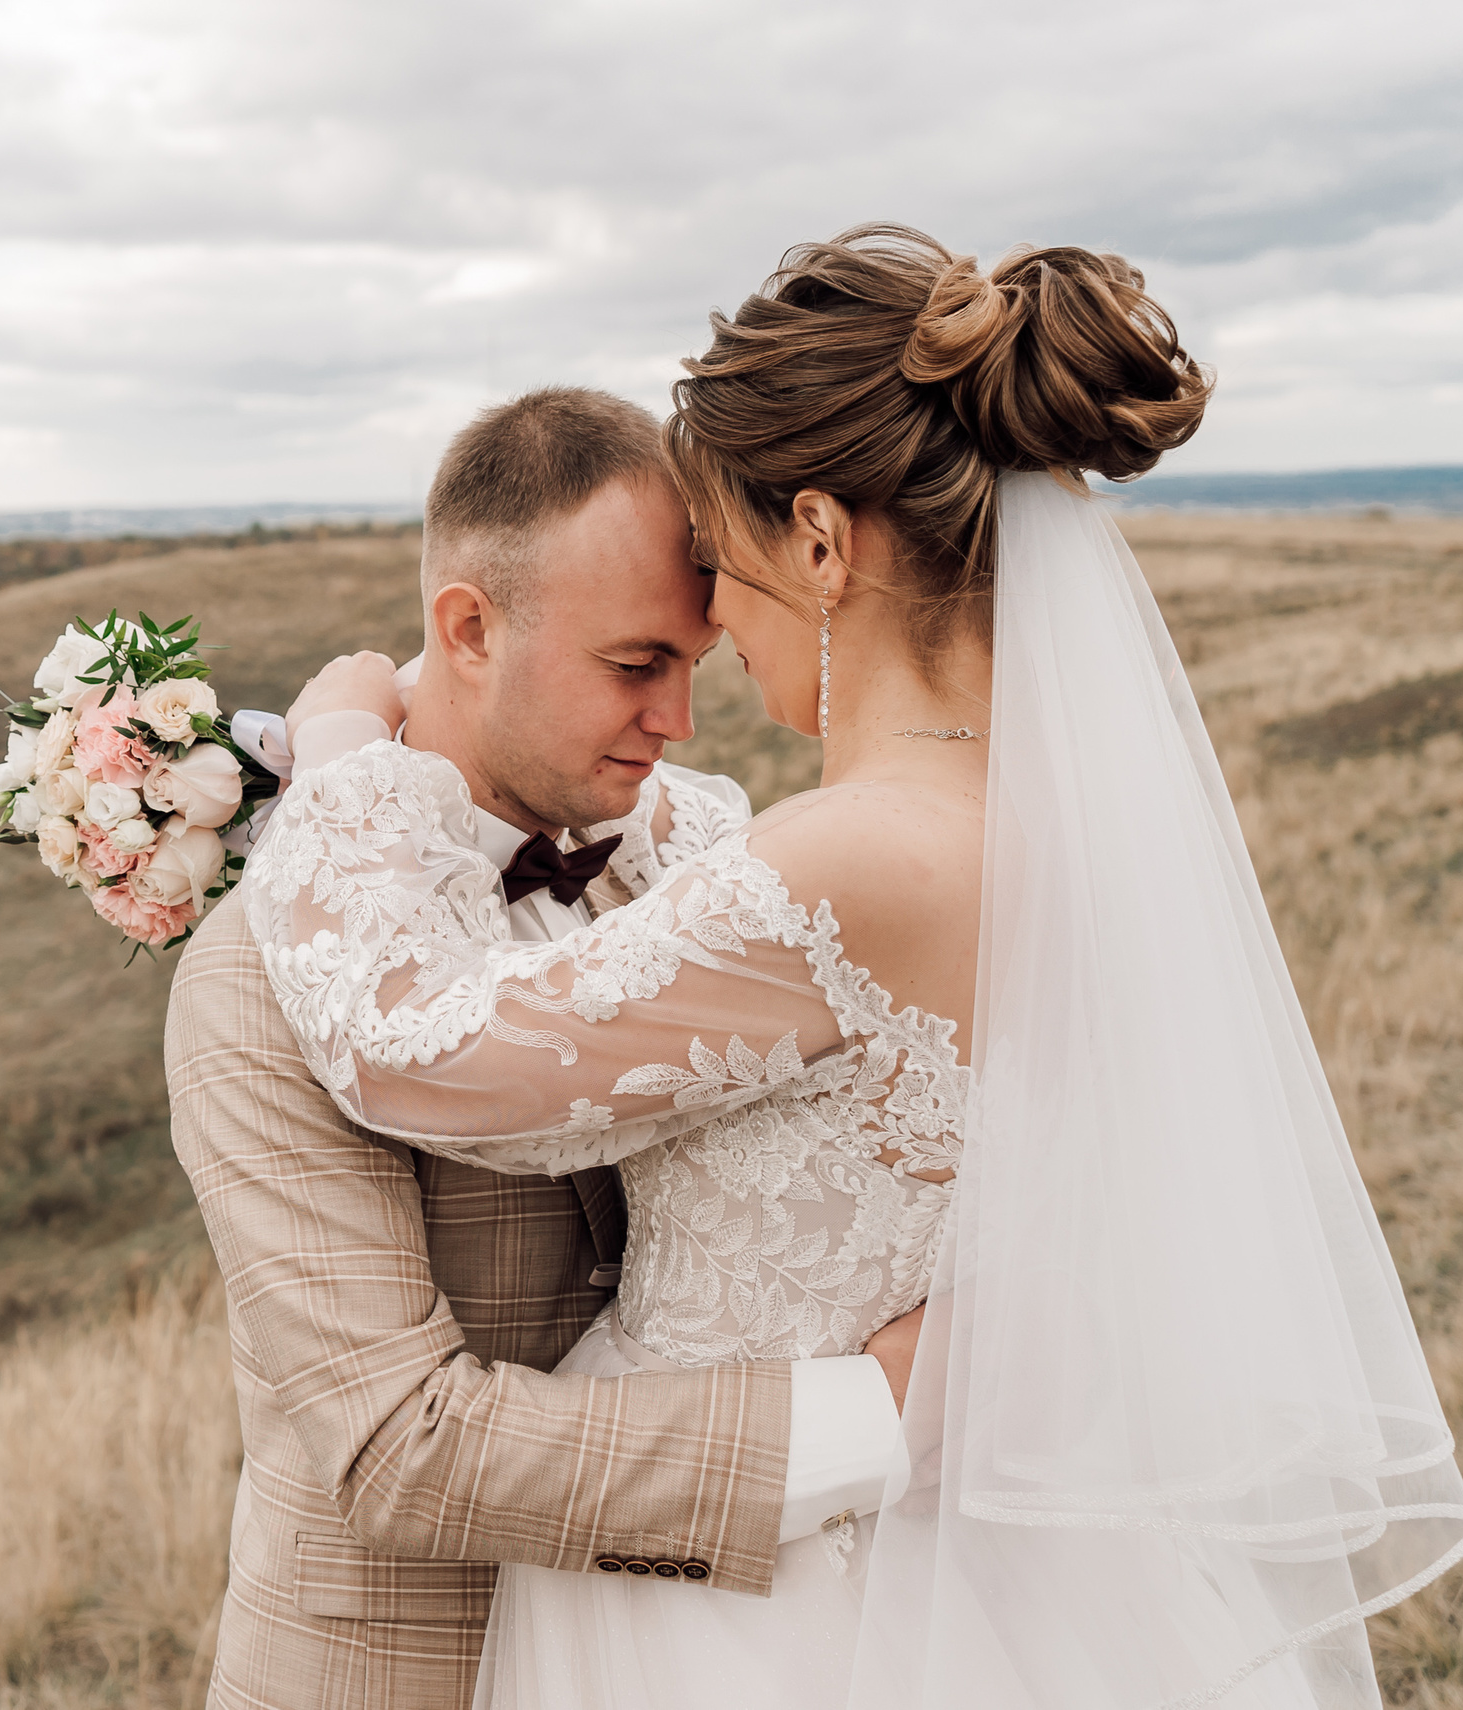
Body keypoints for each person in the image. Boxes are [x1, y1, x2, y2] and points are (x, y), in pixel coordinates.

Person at [250, 228, 1463, 1709]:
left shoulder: (849, 862)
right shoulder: (1049, 819)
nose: (713, 622)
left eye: (720, 562)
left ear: (822, 542)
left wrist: (345, 762)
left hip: (769, 1613)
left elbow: (420, 1053)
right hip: (992, 1577)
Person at [166, 386, 922, 1710]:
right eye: (635, 665)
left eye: (696, 664)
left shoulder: (696, 874)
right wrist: (877, 1412)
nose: (679, 721)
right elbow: (402, 1448)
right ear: (469, 628)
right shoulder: (260, 973)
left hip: (690, 1661)